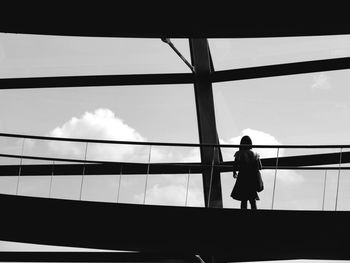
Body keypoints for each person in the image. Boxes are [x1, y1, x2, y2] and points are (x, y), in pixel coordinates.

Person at [230, 135, 262, 209]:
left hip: (242, 177)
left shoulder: (239, 153)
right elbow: (260, 167)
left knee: (243, 200)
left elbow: (235, 165)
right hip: (251, 178)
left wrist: (234, 172)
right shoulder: (255, 154)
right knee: (252, 200)